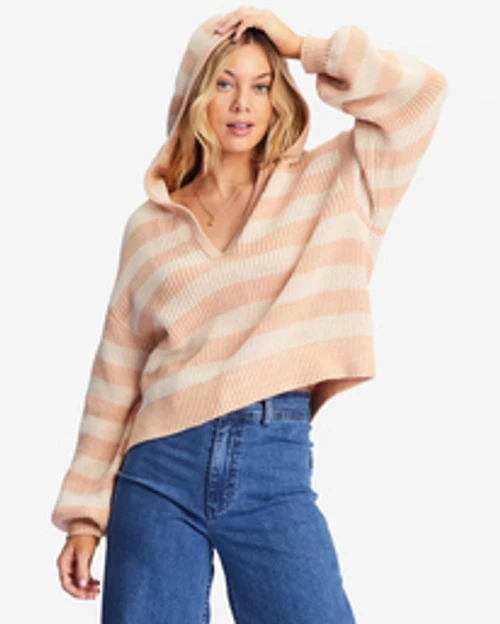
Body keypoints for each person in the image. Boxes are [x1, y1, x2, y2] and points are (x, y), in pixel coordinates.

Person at [53, 7, 447, 622]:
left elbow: (420, 96)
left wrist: (303, 46)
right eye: (224, 83)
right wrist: (84, 516)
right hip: (157, 469)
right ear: (194, 95)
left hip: (273, 461)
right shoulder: (151, 226)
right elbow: (116, 373)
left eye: (261, 85)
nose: (243, 104)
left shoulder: (335, 181)